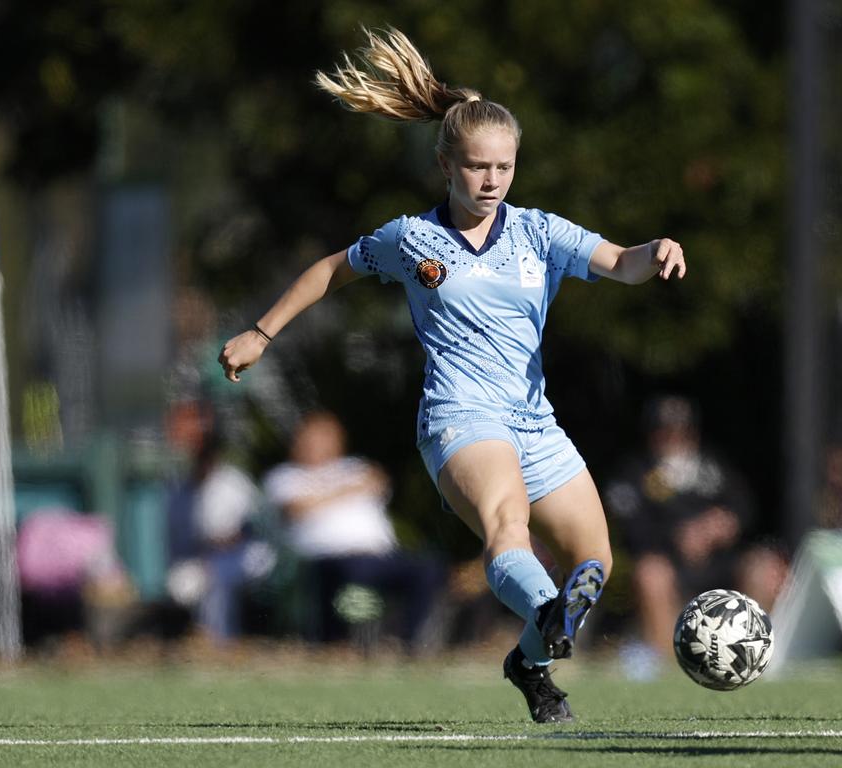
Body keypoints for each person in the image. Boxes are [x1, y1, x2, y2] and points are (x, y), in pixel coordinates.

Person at [218, 26, 686, 723]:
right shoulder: (413, 240)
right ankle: (544, 612)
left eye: (503, 166)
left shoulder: (539, 232)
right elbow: (331, 271)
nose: (491, 180)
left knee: (595, 562)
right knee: (508, 525)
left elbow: (621, 262)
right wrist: (262, 332)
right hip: (461, 419)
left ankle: (529, 662)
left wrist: (660, 248)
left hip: (535, 421)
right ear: (445, 165)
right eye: (475, 167)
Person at [604, 395, 785, 676]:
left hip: (721, 564)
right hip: (671, 566)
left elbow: (745, 507)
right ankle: (674, 667)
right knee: (651, 573)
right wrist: (678, 536)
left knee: (766, 567)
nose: (674, 439)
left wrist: (724, 523)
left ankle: (758, 656)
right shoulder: (634, 473)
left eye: (681, 431)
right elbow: (631, 528)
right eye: (665, 432)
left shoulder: (715, 466)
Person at [263, 410, 444, 651]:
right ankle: (339, 644)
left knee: (428, 567)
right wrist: (346, 491)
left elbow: (377, 481)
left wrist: (326, 495)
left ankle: (408, 642)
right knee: (353, 572)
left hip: (380, 554)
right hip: (328, 557)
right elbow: (295, 508)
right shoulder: (285, 477)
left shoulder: (353, 466)